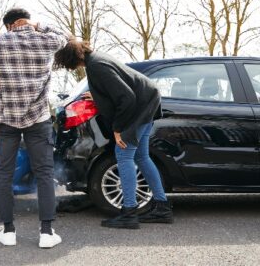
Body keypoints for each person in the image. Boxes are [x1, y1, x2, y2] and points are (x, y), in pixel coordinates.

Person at [0, 8, 68, 248]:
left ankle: (8, 231)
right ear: (27, 22)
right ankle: (47, 232)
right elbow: (63, 37)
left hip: (5, 117)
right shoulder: (47, 39)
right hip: (38, 117)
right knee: (44, 173)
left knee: (5, 174)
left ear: (9, 25)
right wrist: (40, 26)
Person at [53, 39, 173, 228]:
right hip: (147, 102)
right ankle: (162, 208)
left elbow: (126, 98)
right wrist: (99, 95)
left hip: (139, 107)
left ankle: (129, 213)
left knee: (123, 156)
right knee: (141, 157)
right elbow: (119, 88)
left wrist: (118, 130)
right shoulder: (97, 59)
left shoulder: (97, 66)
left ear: (70, 58)